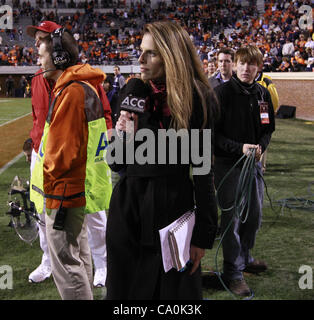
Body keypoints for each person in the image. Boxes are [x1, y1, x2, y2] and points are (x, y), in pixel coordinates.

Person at [106, 20, 219, 300]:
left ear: (172, 55)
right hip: (128, 206)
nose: (140, 59)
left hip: (174, 208)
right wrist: (121, 136)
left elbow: (203, 172)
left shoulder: (198, 98)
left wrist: (203, 235)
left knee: (174, 296)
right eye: (140, 51)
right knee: (125, 294)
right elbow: (116, 163)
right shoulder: (132, 91)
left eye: (151, 53)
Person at [28, 26, 112, 299]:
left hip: (63, 194)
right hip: (73, 191)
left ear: (60, 58)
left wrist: (42, 172)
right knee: (79, 258)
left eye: (43, 56)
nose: (39, 61)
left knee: (67, 263)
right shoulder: (80, 86)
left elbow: (61, 156)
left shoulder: (72, 92)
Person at [214, 45, 275, 297]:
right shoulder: (221, 93)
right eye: (242, 63)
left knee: (255, 215)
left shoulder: (262, 94)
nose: (246, 68)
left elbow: (268, 128)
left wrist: (261, 146)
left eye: (251, 64)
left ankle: (246, 257)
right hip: (228, 165)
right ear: (235, 65)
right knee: (232, 219)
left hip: (253, 166)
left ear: (258, 67)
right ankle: (233, 272)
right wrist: (240, 148)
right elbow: (212, 135)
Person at [256, 64, 279, 173]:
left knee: (263, 137)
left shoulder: (266, 80)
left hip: (263, 110)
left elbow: (275, 100)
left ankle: (261, 165)